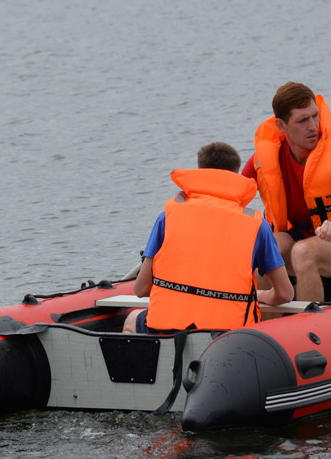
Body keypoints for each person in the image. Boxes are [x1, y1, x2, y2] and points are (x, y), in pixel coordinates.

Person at [124, 142, 293, 334]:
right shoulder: (256, 224)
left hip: (169, 330)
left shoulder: (169, 216)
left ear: (200, 172)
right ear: (235, 175)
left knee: (131, 321)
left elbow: (141, 288)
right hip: (228, 337)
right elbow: (285, 293)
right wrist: (262, 295)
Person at [242, 82, 331, 303]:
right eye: (303, 120)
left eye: (315, 116)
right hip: (302, 235)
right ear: (281, 125)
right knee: (266, 247)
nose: (313, 126)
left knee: (302, 252)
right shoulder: (266, 158)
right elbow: (233, 200)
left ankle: (309, 331)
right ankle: (264, 330)